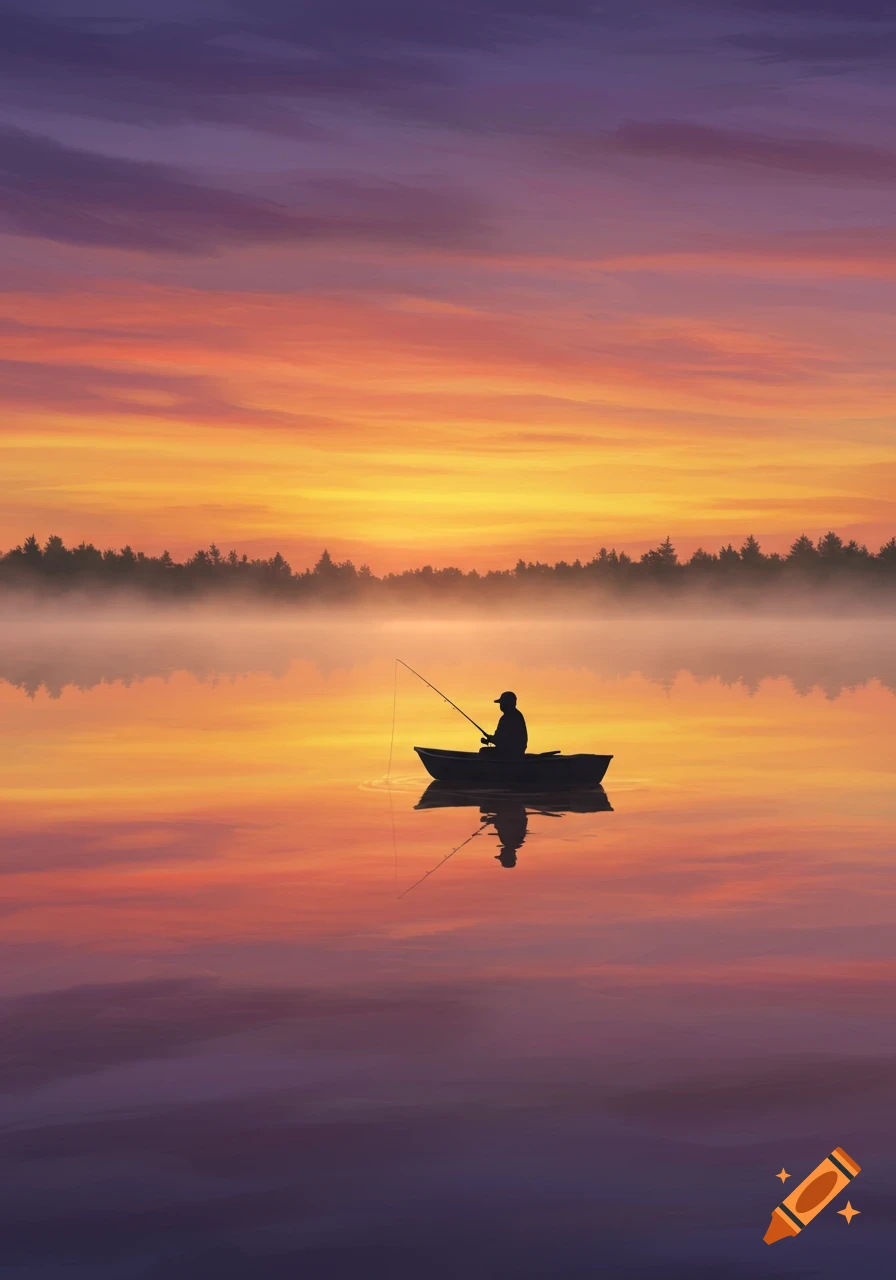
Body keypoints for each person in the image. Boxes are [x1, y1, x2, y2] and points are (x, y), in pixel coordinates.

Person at [480, 690, 528, 758]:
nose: (500, 705)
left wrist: (491, 739)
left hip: (510, 754)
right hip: (516, 752)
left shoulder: (507, 718)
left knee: (483, 751)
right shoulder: (517, 715)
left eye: (502, 703)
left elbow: (502, 740)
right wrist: (490, 739)